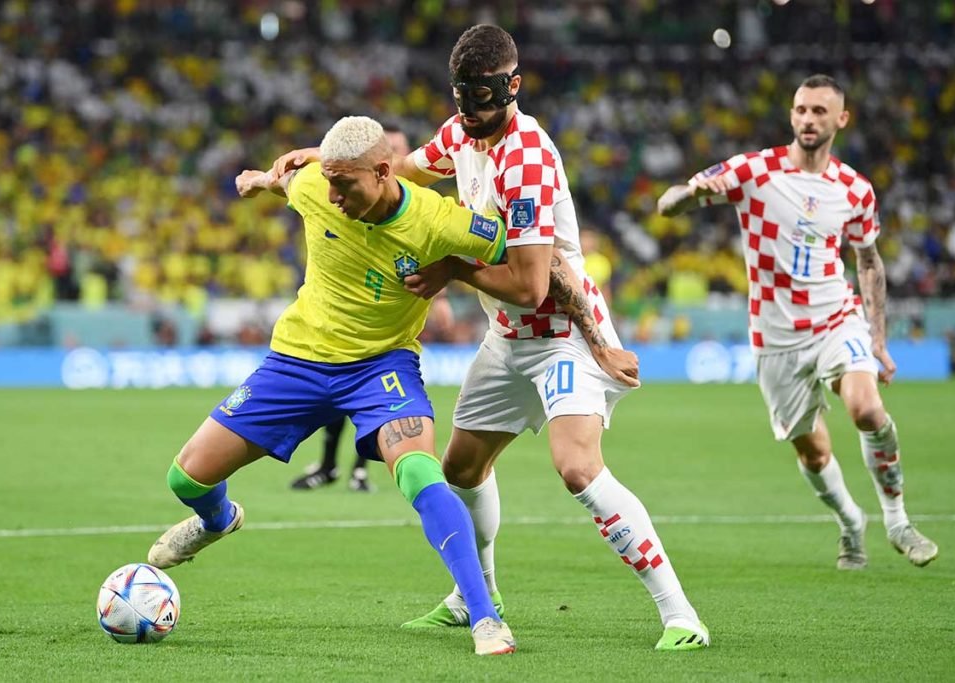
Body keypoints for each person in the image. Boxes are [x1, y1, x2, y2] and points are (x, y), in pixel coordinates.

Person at [272, 25, 708, 651]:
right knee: (462, 467)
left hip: (563, 331)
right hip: (508, 338)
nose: (471, 113)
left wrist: (450, 267)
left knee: (577, 468)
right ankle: (477, 595)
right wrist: (324, 161)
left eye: (483, 98)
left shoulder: (526, 158)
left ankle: (680, 615)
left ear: (512, 87)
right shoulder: (461, 133)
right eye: (462, 99)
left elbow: (533, 286)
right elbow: (405, 172)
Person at [147, 116, 516, 656]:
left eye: (346, 185)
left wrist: (454, 269)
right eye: (330, 182)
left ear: (385, 171)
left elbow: (510, 246)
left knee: (418, 471)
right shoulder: (316, 186)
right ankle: (219, 519)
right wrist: (256, 181)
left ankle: (485, 617)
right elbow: (284, 179)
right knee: (185, 480)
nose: (335, 196)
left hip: (379, 367)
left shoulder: (439, 220)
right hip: (296, 361)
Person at [657, 74, 938, 570]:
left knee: (867, 410)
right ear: (791, 115)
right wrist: (694, 192)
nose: (809, 119)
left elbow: (868, 262)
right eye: (801, 110)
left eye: (819, 112)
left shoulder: (854, 190)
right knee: (811, 452)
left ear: (840, 120)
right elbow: (667, 205)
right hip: (775, 337)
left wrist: (878, 341)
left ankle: (898, 521)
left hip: (836, 318)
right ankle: (851, 521)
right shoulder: (753, 171)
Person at [289, 125, 453, 494]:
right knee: (344, 387)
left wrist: (442, 290)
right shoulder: (347, 194)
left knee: (374, 391)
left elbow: (432, 247)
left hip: (395, 312)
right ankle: (331, 465)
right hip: (349, 304)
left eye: (399, 151)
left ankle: (358, 469)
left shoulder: (418, 201)